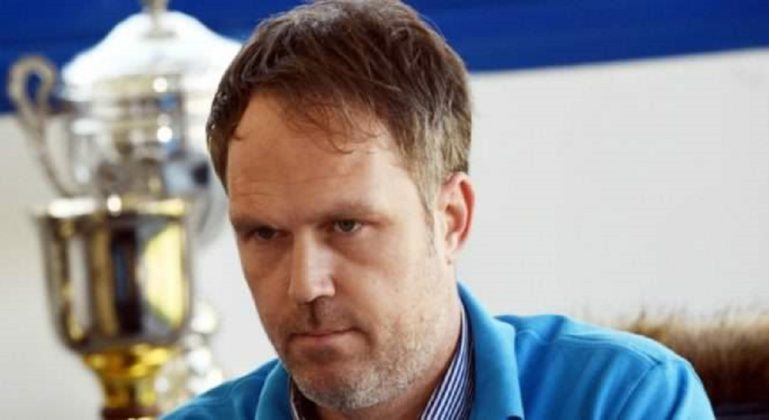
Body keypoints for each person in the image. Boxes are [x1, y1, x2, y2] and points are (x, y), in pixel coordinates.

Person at [165, 1, 714, 419]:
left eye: (347, 225)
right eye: (265, 234)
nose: (305, 285)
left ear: (451, 218)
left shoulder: (625, 399)